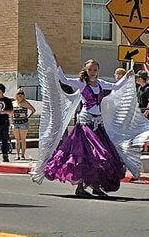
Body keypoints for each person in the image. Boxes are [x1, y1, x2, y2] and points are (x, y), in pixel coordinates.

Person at [41, 58, 136, 197]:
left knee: (97, 156)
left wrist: (126, 77)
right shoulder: (81, 83)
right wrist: (56, 64)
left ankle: (92, 186)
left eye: (95, 70)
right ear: (86, 70)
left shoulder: (100, 83)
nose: (92, 72)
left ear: (98, 71)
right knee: (88, 155)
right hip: (85, 123)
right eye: (90, 69)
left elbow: (115, 87)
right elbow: (64, 79)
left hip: (98, 123)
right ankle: (87, 187)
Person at [11, 90, 35, 161]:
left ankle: (23, 155)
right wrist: (12, 119)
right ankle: (17, 154)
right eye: (19, 94)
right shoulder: (13, 103)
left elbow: (33, 110)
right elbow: (11, 112)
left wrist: (28, 117)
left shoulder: (25, 103)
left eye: (22, 94)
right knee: (17, 140)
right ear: (16, 95)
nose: (20, 95)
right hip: (15, 122)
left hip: (23, 123)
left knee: (23, 139)